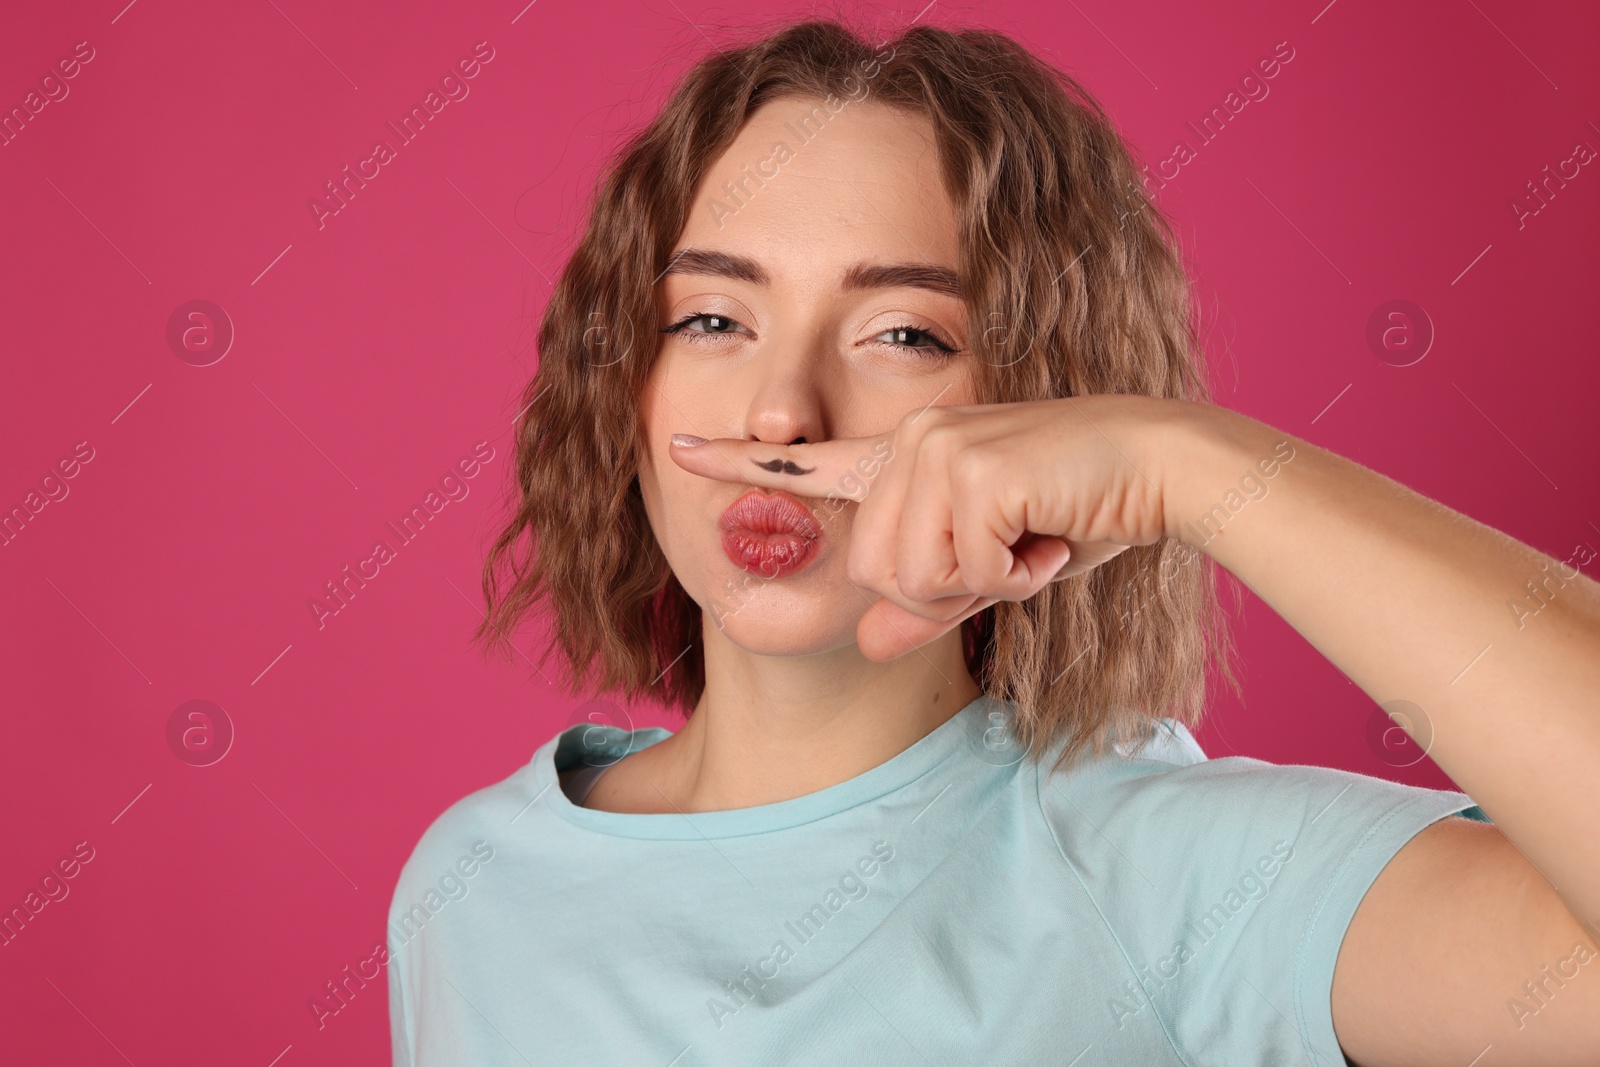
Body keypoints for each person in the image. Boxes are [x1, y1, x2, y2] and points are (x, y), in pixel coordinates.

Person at [385, 17, 1600, 1066]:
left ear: (1036, 404)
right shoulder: (471, 885)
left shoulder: (1161, 870)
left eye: (903, 334)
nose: (778, 412)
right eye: (712, 318)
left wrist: (1188, 462)